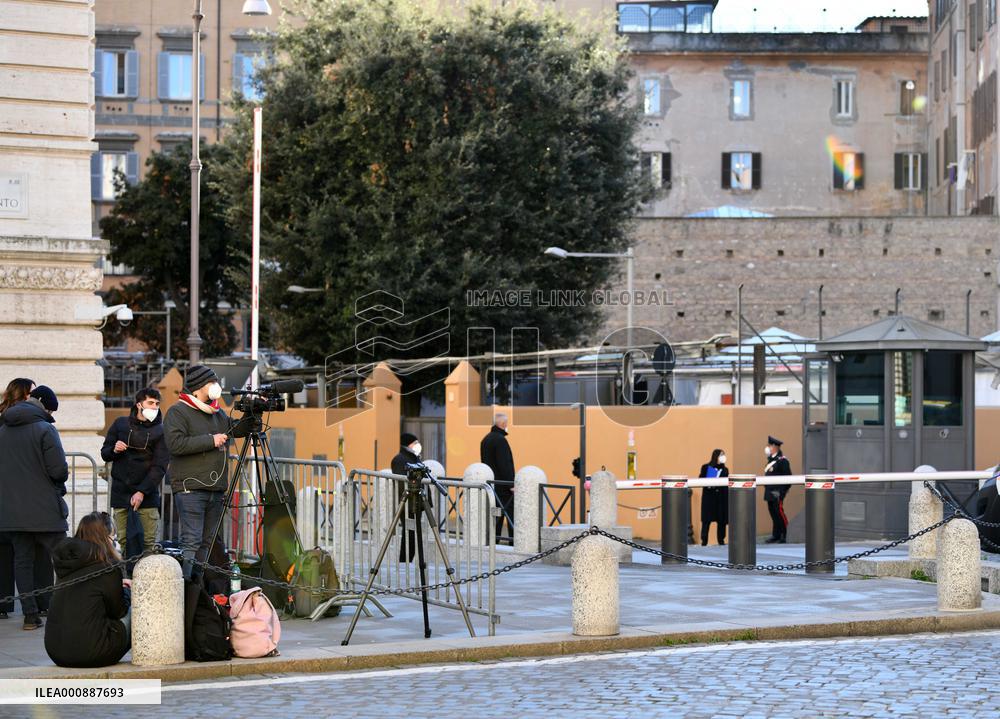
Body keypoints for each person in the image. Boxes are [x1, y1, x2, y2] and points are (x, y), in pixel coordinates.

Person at [164, 365, 249, 581]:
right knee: (192, 541)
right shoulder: (178, 411)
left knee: (208, 542)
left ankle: (198, 590)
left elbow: (234, 429)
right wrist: (211, 440)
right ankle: (184, 589)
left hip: (215, 489)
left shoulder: (217, 412)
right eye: (211, 383)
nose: (215, 386)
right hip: (191, 488)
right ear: (198, 388)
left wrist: (252, 413)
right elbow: (175, 444)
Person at [0, 385, 68, 630]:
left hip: (12, 511)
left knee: (23, 562)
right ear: (43, 404)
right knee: (65, 556)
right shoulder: (45, 429)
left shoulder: (3, 430)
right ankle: (66, 608)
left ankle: (30, 616)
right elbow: (58, 469)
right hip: (45, 509)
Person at [44, 512, 131, 668]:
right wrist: (126, 592)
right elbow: (118, 612)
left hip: (56, 652)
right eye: (113, 539)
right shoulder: (106, 567)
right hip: (93, 653)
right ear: (105, 538)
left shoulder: (67, 563)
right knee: (137, 609)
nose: (115, 544)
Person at [101, 388, 168, 560]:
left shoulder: (161, 430)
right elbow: (105, 453)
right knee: (122, 542)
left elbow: (159, 466)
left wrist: (142, 491)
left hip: (148, 495)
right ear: (139, 404)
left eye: (157, 404)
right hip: (121, 492)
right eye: (150, 403)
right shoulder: (120, 424)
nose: (154, 407)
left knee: (149, 544)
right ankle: (124, 582)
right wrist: (115, 449)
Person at [0, 378, 36, 619]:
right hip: (16, 494)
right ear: (24, 395)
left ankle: (3, 606)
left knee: (5, 552)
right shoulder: (26, 421)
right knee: (18, 554)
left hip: (7, 493)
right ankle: (20, 608)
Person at [480, 412, 515, 541]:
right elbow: (505, 464)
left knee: (496, 516)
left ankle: (494, 541)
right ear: (503, 424)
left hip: (492, 485)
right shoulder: (501, 440)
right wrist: (511, 485)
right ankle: (513, 542)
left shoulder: (486, 439)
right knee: (511, 515)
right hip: (503, 487)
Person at [391, 433, 423, 562]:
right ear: (407, 444)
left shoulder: (414, 458)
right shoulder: (400, 459)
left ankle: (409, 559)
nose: (417, 445)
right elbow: (402, 482)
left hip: (417, 501)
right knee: (408, 533)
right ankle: (405, 560)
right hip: (408, 502)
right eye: (414, 442)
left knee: (413, 533)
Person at [763, 435, 792, 544]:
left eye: (769, 445)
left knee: (779, 513)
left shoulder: (782, 460)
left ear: (775, 446)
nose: (768, 447)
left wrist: (782, 492)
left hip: (777, 493)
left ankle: (784, 534)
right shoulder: (771, 460)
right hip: (769, 492)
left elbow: (788, 478)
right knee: (773, 513)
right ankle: (776, 535)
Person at [698, 449, 729, 546]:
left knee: (721, 520)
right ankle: (704, 540)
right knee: (706, 520)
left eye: (724, 455)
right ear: (716, 456)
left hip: (720, 499)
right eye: (721, 455)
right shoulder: (706, 467)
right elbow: (700, 479)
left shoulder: (725, 469)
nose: (723, 457)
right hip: (709, 498)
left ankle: (721, 540)